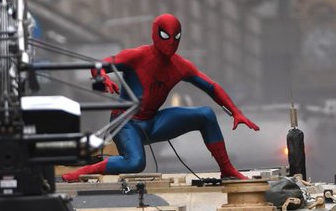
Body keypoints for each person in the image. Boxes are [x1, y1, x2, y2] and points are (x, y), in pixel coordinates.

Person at [62, 13, 259, 181]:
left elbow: (211, 86)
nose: (171, 43)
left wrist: (235, 111)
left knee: (206, 114)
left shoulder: (181, 65)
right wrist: (103, 77)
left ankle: (227, 169)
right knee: (135, 162)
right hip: (125, 122)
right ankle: (82, 171)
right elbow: (99, 65)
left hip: (152, 122)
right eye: (165, 36)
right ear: (156, 33)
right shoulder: (137, 56)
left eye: (176, 37)